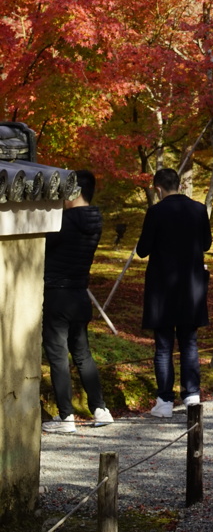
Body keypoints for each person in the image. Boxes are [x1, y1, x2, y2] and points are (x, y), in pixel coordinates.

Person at [41, 169, 114, 431]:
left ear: (74, 192)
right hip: (80, 294)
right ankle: (100, 409)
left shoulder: (63, 222)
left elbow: (40, 246)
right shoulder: (95, 220)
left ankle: (66, 416)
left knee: (58, 356)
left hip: (57, 294)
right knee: (82, 354)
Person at [137, 167, 212, 417]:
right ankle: (192, 395)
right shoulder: (199, 209)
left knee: (164, 345)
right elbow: (207, 244)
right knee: (189, 342)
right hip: (191, 287)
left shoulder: (156, 212)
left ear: (158, 188)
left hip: (162, 288)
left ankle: (165, 401)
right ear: (178, 184)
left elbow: (143, 249)